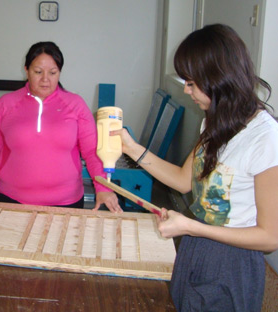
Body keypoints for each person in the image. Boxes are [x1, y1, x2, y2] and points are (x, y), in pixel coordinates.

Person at [114, 24, 278, 311]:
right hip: (197, 246)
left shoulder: (265, 138)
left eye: (191, 82)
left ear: (218, 77)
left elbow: (269, 237)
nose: (187, 90)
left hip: (233, 261)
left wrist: (192, 226)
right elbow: (183, 180)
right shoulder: (214, 121)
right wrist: (131, 148)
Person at [0, 41, 121, 212]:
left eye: (53, 73)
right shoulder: (6, 104)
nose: (45, 79)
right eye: (38, 72)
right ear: (26, 70)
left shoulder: (75, 105)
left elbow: (92, 152)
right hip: (10, 199)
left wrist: (102, 188)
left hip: (66, 202)